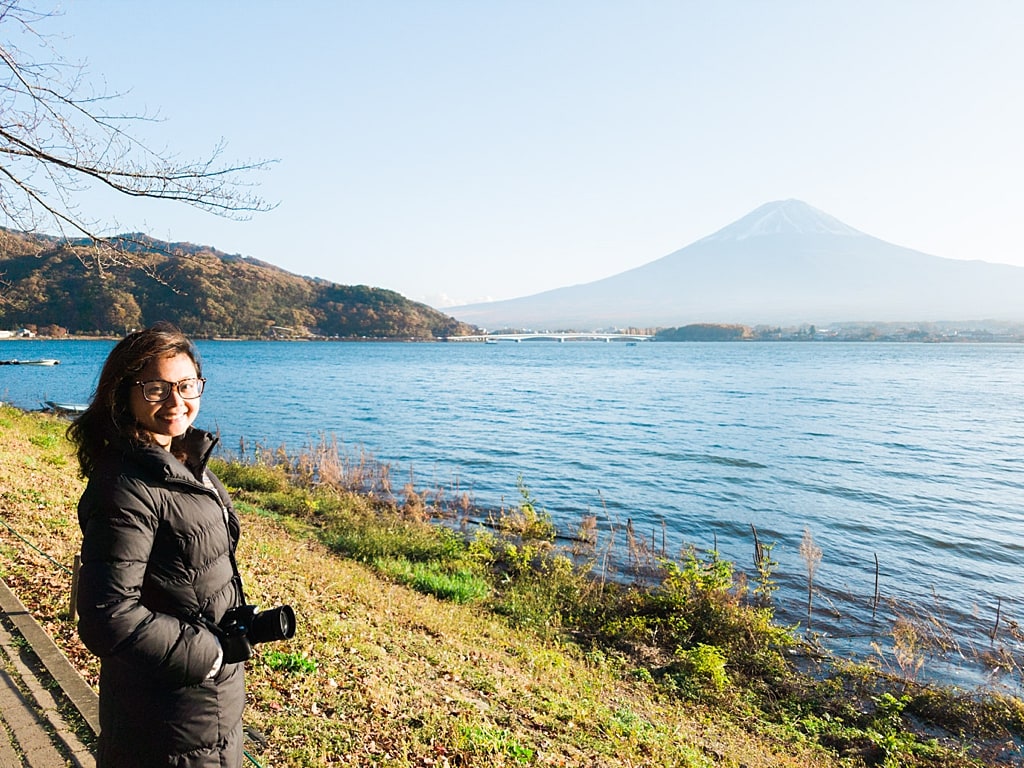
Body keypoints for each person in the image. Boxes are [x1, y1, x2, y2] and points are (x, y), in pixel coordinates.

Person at [68, 323, 247, 767]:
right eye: (155, 388)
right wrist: (210, 655)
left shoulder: (181, 461)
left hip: (202, 704)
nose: (175, 402)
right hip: (166, 713)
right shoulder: (126, 486)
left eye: (186, 386)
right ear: (123, 394)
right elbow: (108, 616)